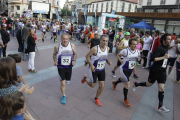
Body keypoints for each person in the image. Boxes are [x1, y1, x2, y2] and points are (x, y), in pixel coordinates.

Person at [133, 34, 172, 113]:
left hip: (162, 71)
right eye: (169, 39)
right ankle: (136, 84)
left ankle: (160, 106)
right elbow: (152, 59)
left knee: (162, 88)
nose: (170, 41)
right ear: (164, 40)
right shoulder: (160, 48)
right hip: (155, 71)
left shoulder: (166, 48)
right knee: (149, 84)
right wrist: (164, 57)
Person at [81, 34, 111, 106]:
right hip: (94, 69)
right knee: (93, 85)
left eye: (106, 41)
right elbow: (87, 56)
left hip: (102, 69)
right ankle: (85, 78)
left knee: (102, 86)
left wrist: (108, 61)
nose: (104, 42)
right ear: (100, 40)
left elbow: (105, 56)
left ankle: (96, 98)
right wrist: (91, 65)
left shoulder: (108, 48)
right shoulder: (95, 49)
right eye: (103, 40)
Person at [112, 37, 141, 106]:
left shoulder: (137, 51)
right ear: (130, 44)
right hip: (124, 68)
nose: (135, 46)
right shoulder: (125, 51)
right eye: (133, 44)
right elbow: (118, 55)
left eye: (136, 44)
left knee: (123, 79)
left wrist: (139, 59)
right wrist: (120, 60)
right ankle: (125, 99)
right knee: (127, 84)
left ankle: (115, 83)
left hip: (130, 69)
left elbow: (138, 59)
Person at [53, 33, 77, 104]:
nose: (65, 40)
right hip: (60, 67)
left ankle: (63, 84)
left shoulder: (72, 46)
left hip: (69, 67)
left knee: (67, 82)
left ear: (68, 39)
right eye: (63, 39)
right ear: (61, 39)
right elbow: (54, 54)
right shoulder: (57, 47)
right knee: (63, 83)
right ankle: (63, 95)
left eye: (66, 39)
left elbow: (75, 53)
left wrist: (74, 60)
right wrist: (55, 61)